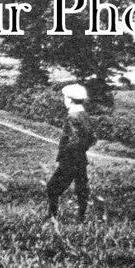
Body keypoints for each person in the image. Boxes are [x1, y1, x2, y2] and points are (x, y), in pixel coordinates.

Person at [47, 83, 96, 222]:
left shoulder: (72, 117)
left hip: (70, 159)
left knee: (52, 188)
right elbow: (92, 137)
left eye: (64, 97)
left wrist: (66, 154)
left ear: (69, 99)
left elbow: (73, 140)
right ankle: (81, 217)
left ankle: (52, 217)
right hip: (81, 158)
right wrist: (82, 149)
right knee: (81, 188)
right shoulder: (84, 115)